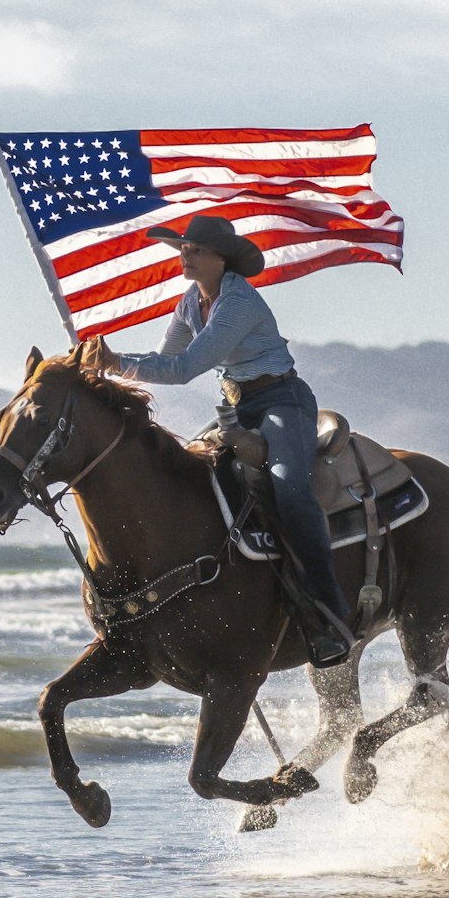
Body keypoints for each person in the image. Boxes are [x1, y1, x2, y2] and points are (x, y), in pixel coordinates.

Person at [84, 214, 352, 666]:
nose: (186, 256)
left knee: (290, 487)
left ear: (221, 258)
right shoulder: (190, 302)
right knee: (182, 472)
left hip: (281, 401)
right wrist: (111, 363)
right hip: (237, 406)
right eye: (183, 250)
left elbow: (185, 368)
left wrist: (113, 362)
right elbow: (167, 359)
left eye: (196, 251)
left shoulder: (238, 303)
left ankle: (330, 610)